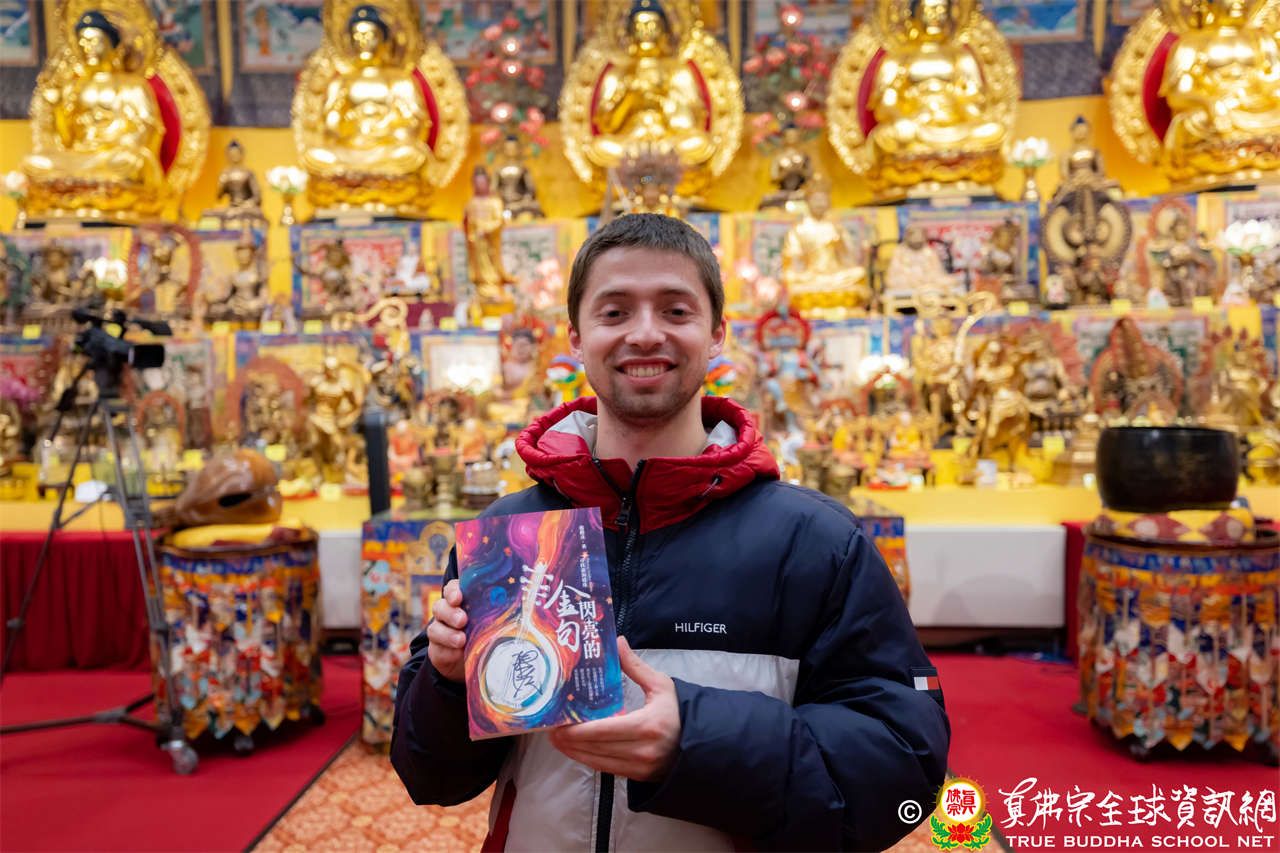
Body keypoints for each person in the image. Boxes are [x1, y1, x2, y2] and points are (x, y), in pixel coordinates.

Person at [391, 214, 949, 851]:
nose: (645, 333)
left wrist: (697, 741)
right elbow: (429, 776)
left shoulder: (814, 542)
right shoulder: (513, 535)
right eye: (614, 312)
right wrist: (448, 681)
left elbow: (904, 771)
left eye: (676, 311)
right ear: (577, 338)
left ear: (716, 335)